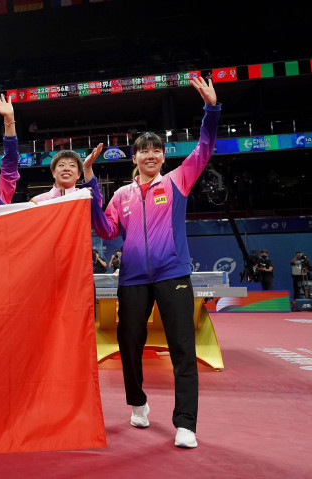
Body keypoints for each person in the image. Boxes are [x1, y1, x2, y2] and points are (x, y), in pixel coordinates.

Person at [87, 76, 219, 449]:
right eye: (143, 151)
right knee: (129, 344)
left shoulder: (177, 181)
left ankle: (186, 424)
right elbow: (106, 230)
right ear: (134, 158)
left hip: (172, 274)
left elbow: (204, 148)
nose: (150, 155)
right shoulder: (121, 195)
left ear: (162, 156)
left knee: (182, 347)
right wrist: (92, 185)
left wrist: (211, 109)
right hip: (132, 279)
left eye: (155, 150)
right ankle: (138, 403)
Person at [30, 145, 103, 203]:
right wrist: (31, 208)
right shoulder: (39, 201)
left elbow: (97, 204)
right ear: (53, 173)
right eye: (61, 165)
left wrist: (87, 167)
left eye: (72, 165)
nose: (66, 169)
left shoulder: (84, 197)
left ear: (78, 174)